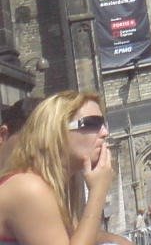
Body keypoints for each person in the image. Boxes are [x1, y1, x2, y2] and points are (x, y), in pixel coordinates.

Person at [0, 89, 115, 245]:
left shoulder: (56, 185)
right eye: (92, 123)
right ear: (56, 131)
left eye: (103, 124)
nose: (105, 132)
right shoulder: (28, 188)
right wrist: (98, 191)